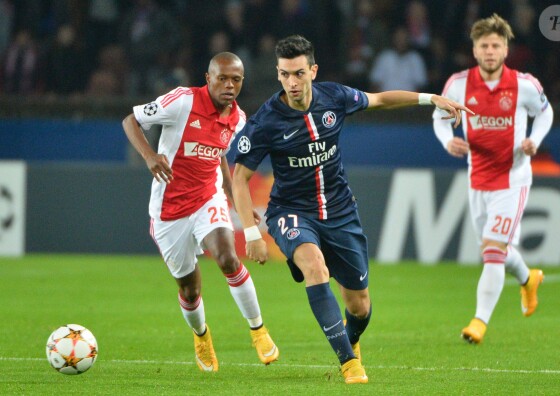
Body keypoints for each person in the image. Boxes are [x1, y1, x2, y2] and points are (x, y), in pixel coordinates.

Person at [232, 35, 472, 384]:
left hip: (341, 211)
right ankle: (349, 363)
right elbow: (239, 178)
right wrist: (252, 233)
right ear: (278, 74)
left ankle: (351, 338)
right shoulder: (266, 121)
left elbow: (380, 100)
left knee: (360, 306)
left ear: (313, 70)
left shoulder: (335, 97)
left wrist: (430, 98)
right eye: (284, 74)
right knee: (314, 266)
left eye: (299, 73)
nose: (292, 82)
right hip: (291, 211)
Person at [121, 52, 279, 372]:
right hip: (168, 210)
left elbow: (219, 154)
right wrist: (150, 156)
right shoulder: (181, 101)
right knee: (189, 289)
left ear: (242, 82)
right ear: (208, 78)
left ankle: (258, 330)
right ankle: (201, 335)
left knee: (228, 258)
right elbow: (131, 121)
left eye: (235, 79)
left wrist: (233, 197)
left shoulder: (238, 119)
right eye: (222, 78)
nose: (229, 85)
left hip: (208, 198)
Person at [432, 14, 554, 344]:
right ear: (474, 50)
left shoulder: (524, 84)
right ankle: (529, 279)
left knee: (493, 251)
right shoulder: (458, 84)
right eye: (483, 45)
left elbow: (545, 113)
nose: (489, 51)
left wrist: (534, 141)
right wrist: (448, 140)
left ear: (505, 50)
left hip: (513, 179)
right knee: (494, 249)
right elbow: (440, 118)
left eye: (495, 45)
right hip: (477, 179)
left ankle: (478, 322)